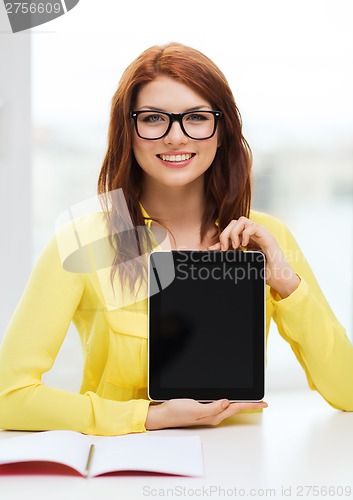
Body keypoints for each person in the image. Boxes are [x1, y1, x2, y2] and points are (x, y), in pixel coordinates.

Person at [0, 43, 352, 437]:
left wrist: (285, 280)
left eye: (196, 118)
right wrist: (146, 417)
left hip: (244, 470)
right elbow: (8, 398)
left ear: (221, 132)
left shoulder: (267, 238)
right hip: (126, 470)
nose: (175, 137)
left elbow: (347, 391)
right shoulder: (83, 242)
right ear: (127, 133)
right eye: (153, 119)